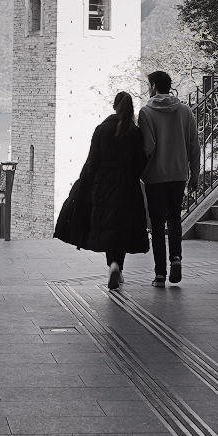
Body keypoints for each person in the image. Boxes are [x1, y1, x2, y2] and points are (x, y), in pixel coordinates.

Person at [54, 91, 148, 289]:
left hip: (103, 185)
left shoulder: (101, 129)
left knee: (107, 224)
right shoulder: (135, 131)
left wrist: (91, 182)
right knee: (120, 226)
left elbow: (92, 161)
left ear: (114, 106)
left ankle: (112, 265)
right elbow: (141, 162)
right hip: (128, 186)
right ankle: (117, 266)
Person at [138, 70, 200, 285]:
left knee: (156, 224)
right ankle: (176, 258)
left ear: (153, 86)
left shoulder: (146, 112)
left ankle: (160, 274)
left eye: (148, 85)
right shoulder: (185, 111)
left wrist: (139, 172)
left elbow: (148, 146)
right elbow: (194, 145)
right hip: (179, 173)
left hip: (155, 175)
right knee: (174, 217)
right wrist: (195, 174)